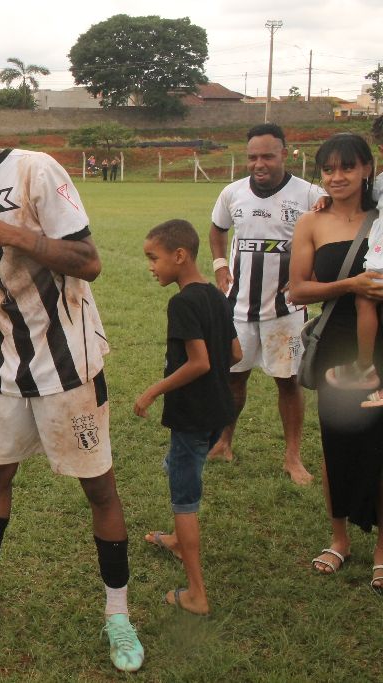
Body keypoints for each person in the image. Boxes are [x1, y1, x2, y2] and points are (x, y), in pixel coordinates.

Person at [0, 75, 144, 673]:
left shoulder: (35, 170)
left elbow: (87, 261)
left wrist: (9, 232)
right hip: (5, 358)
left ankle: (118, 614)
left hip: (68, 357)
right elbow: (0, 264)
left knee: (98, 487)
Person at [287, 133, 383, 594]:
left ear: (367, 168)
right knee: (336, 442)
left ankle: (382, 550)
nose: (337, 177)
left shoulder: (382, 216)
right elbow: (297, 290)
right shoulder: (312, 221)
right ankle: (339, 538)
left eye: (347, 167)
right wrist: (350, 286)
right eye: (328, 169)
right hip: (339, 343)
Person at [135, 219, 241, 616]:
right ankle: (178, 541)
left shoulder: (181, 303)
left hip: (192, 416)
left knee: (185, 498)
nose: (151, 267)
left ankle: (196, 594)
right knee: (184, 471)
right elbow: (235, 353)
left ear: (179, 256)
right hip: (218, 412)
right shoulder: (215, 294)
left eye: (154, 258)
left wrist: (153, 390)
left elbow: (199, 363)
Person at [208, 123, 322, 485]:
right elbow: (217, 229)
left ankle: (292, 457)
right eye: (253, 157)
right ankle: (224, 442)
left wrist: (310, 273)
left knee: (288, 382)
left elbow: (330, 234)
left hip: (286, 310)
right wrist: (220, 264)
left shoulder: (310, 194)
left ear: (284, 154)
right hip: (239, 308)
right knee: (233, 377)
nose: (259, 164)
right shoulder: (232, 193)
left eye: (268, 156)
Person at [324, 116, 383, 405]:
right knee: (365, 302)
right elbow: (358, 197)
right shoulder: (380, 184)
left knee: (365, 301)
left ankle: (365, 366)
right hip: (378, 255)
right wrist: (327, 200)